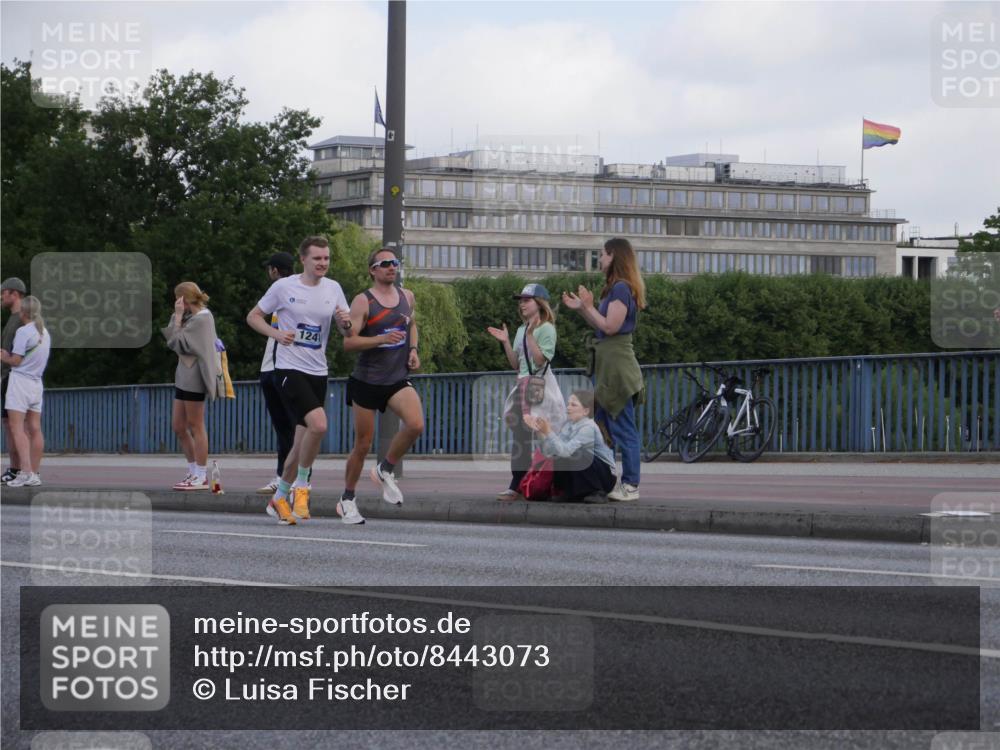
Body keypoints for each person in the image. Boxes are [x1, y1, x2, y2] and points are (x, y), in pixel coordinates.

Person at [247, 235, 353, 525]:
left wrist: (346, 324)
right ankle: (302, 487)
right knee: (319, 424)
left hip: (318, 370)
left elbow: (347, 332)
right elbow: (253, 316)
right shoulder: (284, 286)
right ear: (303, 259)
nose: (323, 263)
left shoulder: (334, 288)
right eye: (317, 258)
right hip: (288, 368)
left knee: (301, 440)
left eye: (326, 258)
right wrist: (277, 334)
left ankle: (280, 495)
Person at [340, 248, 425, 525]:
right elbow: (349, 343)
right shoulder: (363, 301)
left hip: (396, 378)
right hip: (367, 380)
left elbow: (410, 324)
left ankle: (385, 469)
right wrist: (380, 340)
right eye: (384, 263)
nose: (391, 267)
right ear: (373, 270)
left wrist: (413, 350)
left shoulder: (407, 296)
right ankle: (348, 499)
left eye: (394, 263)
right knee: (362, 444)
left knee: (415, 424)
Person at [563, 237, 646, 502]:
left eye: (602, 254)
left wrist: (588, 307)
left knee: (622, 428)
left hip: (617, 369)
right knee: (606, 426)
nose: (600, 259)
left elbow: (610, 327)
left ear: (614, 257)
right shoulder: (615, 289)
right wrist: (582, 309)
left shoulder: (621, 288)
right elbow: (601, 326)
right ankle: (609, 481)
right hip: (609, 366)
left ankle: (631, 485)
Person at [487, 283, 558, 501]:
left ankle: (548, 481)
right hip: (523, 384)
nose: (522, 304)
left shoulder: (546, 328)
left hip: (539, 386)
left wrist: (530, 335)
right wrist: (507, 342)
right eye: (521, 300)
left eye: (526, 299)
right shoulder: (520, 329)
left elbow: (539, 360)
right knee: (521, 436)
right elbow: (517, 365)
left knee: (542, 433)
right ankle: (517, 483)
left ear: (539, 303)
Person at [162, 282, 222, 491]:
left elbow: (176, 342)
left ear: (185, 300)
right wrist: (177, 317)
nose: (176, 304)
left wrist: (178, 318)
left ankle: (201, 474)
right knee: (178, 426)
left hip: (195, 376)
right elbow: (173, 336)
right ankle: (192, 470)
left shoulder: (203, 318)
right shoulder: (188, 317)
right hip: (183, 375)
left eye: (178, 300)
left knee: (196, 425)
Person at [524, 390, 617, 503]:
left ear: (586, 411)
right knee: (558, 454)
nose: (568, 407)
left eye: (573, 405)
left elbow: (566, 451)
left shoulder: (589, 427)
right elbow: (550, 452)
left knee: (577, 453)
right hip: (591, 472)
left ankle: (598, 492)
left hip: (605, 478)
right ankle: (569, 492)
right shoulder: (568, 425)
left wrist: (549, 432)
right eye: (568, 404)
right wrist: (540, 432)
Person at [256, 251, 298, 495]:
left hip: (284, 366)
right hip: (270, 365)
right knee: (284, 427)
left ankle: (300, 478)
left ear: (274, 270)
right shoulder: (279, 294)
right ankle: (283, 476)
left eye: (269, 268)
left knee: (293, 427)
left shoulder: (285, 288)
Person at [0, 296, 51, 487]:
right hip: (37, 384)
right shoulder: (44, 333)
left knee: (16, 428)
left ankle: (24, 472)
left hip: (20, 382)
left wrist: (4, 357)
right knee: (35, 429)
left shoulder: (23, 332)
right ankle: (34, 474)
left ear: (23, 312)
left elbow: (16, 360)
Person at [1, 277, 27, 483]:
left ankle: (19, 469)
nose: (1, 297)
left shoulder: (21, 319)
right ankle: (15, 468)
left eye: (3, 293)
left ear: (14, 294)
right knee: (9, 424)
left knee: (14, 425)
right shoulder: (12, 318)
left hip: (14, 376)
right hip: (7, 375)